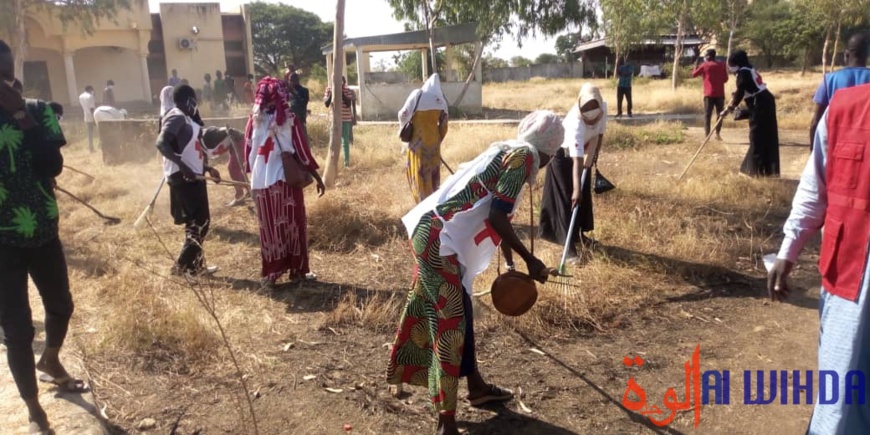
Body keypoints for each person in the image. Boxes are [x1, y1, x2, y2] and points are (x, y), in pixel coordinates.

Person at [387, 110, 562, 435]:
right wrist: (530, 262)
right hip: (439, 238)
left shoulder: (511, 149)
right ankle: (446, 421)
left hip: (437, 235)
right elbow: (497, 216)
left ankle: (476, 387)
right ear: (550, 150)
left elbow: (498, 216)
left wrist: (509, 263)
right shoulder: (525, 158)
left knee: (459, 311)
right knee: (450, 326)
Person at [768, 83, 870, 435]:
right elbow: (816, 185)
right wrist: (788, 249)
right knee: (842, 381)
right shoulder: (845, 109)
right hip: (851, 278)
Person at [0, 39, 86, 435]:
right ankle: (34, 409)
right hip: (1, 242)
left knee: (61, 306)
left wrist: (21, 115)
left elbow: (53, 164)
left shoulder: (37, 110)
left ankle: (50, 359)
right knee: (17, 330)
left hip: (44, 231)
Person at [245, 77, 325, 289]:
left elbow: (248, 155)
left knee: (270, 229)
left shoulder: (253, 121)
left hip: (261, 185)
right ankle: (297, 272)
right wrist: (317, 178)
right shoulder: (289, 120)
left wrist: (252, 177)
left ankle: (271, 273)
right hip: (285, 183)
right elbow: (302, 152)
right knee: (294, 226)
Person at [155, 84, 221, 276]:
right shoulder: (176, 116)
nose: (196, 105)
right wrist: (182, 166)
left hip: (193, 175)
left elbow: (191, 151)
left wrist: (207, 168)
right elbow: (161, 143)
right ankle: (181, 267)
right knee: (200, 222)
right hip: (183, 177)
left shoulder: (186, 118)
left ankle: (195, 266)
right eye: (194, 101)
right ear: (187, 101)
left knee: (196, 222)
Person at [540, 83, 607, 260]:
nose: (592, 120)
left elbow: (599, 134)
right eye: (588, 118)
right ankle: (568, 246)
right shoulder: (575, 125)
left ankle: (579, 235)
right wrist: (576, 189)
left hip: (584, 150)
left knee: (584, 193)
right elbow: (576, 160)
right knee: (568, 197)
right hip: (562, 154)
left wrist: (594, 156)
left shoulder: (603, 107)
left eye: (595, 114)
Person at [721, 50, 779, 177]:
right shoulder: (748, 69)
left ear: (736, 63)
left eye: (731, 64)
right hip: (764, 101)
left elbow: (741, 92)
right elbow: (744, 89)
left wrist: (729, 108)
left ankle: (754, 171)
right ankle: (764, 171)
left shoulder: (743, 72)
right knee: (764, 136)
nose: (730, 67)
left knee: (757, 136)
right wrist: (734, 99)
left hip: (760, 103)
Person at [809, 33, 870, 149]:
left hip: (836, 149)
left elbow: (816, 121)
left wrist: (813, 153)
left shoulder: (829, 80)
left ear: (846, 54)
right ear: (866, 56)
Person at [398, 73, 449, 203]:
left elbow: (403, 114)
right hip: (434, 145)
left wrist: (405, 126)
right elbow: (444, 126)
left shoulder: (417, 94)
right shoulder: (441, 100)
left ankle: (420, 202)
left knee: (419, 173)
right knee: (432, 175)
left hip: (417, 144)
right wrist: (437, 141)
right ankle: (432, 203)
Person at [201, 126, 249, 206]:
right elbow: (204, 161)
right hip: (233, 144)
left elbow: (226, 132)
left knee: (233, 168)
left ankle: (240, 196)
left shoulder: (207, 135)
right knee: (235, 168)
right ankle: (248, 190)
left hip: (239, 140)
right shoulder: (199, 144)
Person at [692, 48, 729, 140]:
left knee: (707, 115)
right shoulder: (722, 65)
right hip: (720, 93)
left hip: (708, 94)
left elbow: (694, 74)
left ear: (707, 56)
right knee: (720, 114)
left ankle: (707, 135)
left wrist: (695, 66)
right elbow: (725, 79)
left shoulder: (704, 65)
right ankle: (717, 134)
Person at [323, 76, 356, 167]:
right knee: (333, 141)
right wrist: (332, 92)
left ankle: (346, 163)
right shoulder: (329, 89)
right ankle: (332, 163)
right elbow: (326, 103)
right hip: (334, 119)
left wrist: (340, 91)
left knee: (345, 141)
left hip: (345, 119)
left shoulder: (347, 90)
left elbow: (348, 104)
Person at [78, 85, 96, 152]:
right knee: (99, 131)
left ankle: (90, 147)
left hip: (86, 115)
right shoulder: (90, 96)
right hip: (92, 116)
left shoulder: (80, 96)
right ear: (90, 89)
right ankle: (97, 146)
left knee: (90, 133)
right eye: (92, 90)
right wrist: (94, 118)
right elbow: (92, 108)